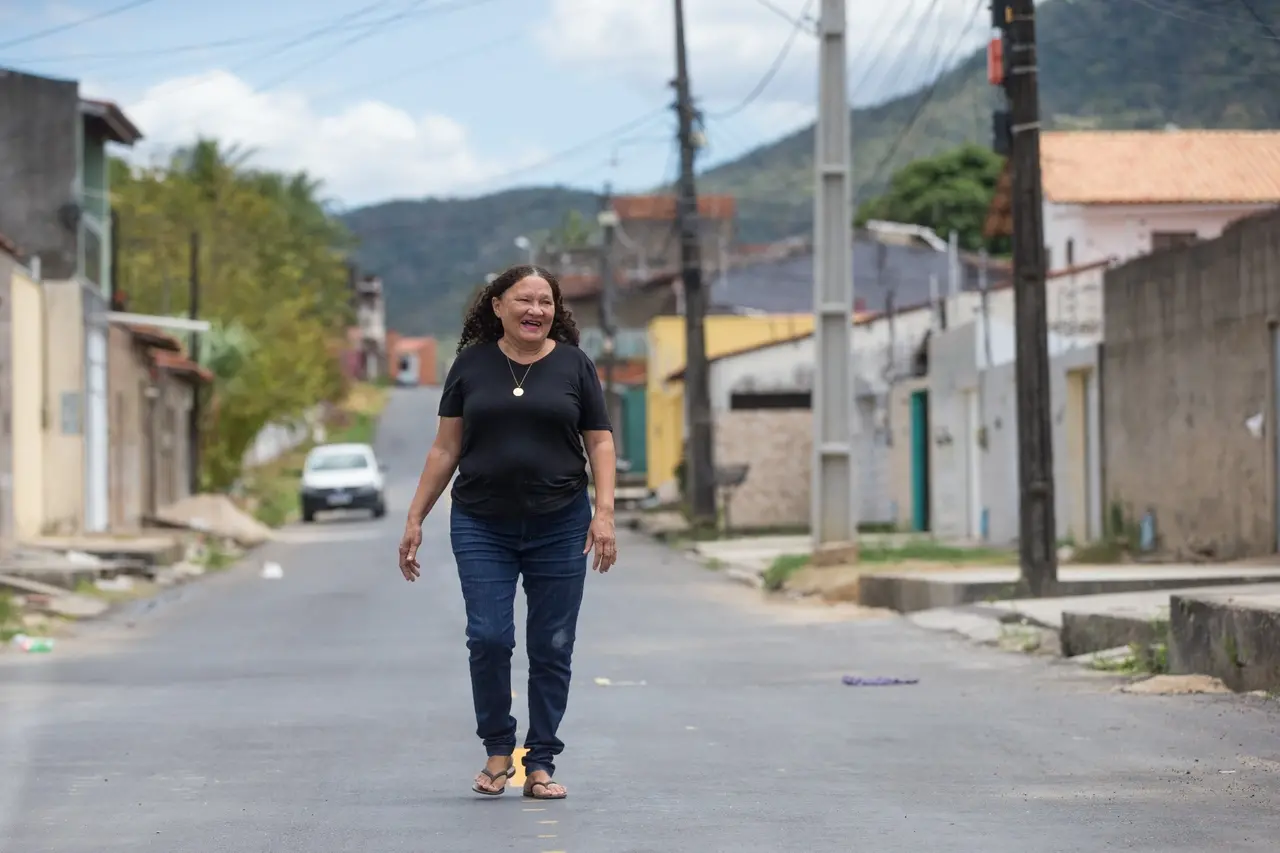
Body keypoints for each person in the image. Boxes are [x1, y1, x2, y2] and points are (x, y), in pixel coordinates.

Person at [397, 264, 618, 801]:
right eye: (524, 299)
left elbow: (602, 443)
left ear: (555, 311)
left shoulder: (574, 366)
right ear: (497, 305)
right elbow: (446, 447)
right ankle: (498, 749)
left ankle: (539, 762)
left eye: (545, 301)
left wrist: (605, 511)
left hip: (561, 522)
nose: (535, 310)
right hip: (481, 522)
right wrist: (415, 517)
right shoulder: (470, 366)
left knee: (551, 644)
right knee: (490, 638)